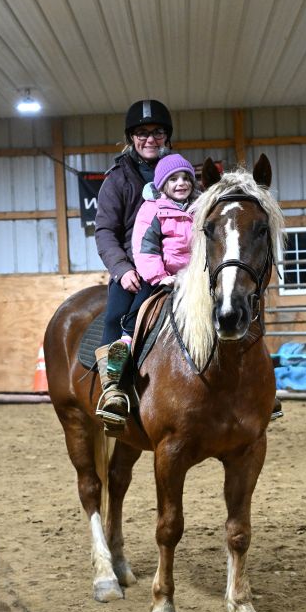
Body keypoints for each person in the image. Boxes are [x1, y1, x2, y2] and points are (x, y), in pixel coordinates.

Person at [94, 99, 173, 431]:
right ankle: (113, 389)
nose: (150, 139)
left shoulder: (180, 173)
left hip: (177, 266)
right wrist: (122, 269)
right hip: (135, 270)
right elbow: (105, 231)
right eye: (142, 133)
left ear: (166, 136)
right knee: (115, 319)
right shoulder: (117, 179)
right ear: (131, 138)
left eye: (157, 132)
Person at [131, 153, 199, 288]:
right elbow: (145, 247)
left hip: (199, 276)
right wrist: (159, 277)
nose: (181, 183)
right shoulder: (152, 209)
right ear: (162, 185)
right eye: (173, 179)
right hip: (168, 276)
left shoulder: (201, 207)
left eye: (186, 178)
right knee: (141, 301)